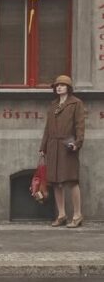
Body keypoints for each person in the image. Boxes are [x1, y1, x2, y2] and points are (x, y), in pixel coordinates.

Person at [39, 75, 85, 228]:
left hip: (68, 145)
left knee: (71, 181)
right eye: (57, 85)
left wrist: (77, 143)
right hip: (53, 146)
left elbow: (80, 125)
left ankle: (77, 215)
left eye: (62, 85)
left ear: (68, 88)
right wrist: (43, 147)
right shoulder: (53, 105)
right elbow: (47, 128)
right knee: (56, 182)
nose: (59, 87)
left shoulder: (76, 103)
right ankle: (62, 215)